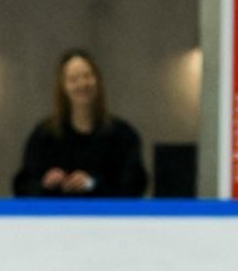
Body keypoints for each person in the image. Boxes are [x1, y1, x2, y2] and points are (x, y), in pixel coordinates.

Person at [13, 48, 147, 197]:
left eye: (87, 76)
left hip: (105, 218)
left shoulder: (123, 135)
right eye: (73, 79)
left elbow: (134, 186)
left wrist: (92, 184)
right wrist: (45, 183)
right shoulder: (44, 135)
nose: (82, 84)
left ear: (98, 81)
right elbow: (23, 186)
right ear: (63, 87)